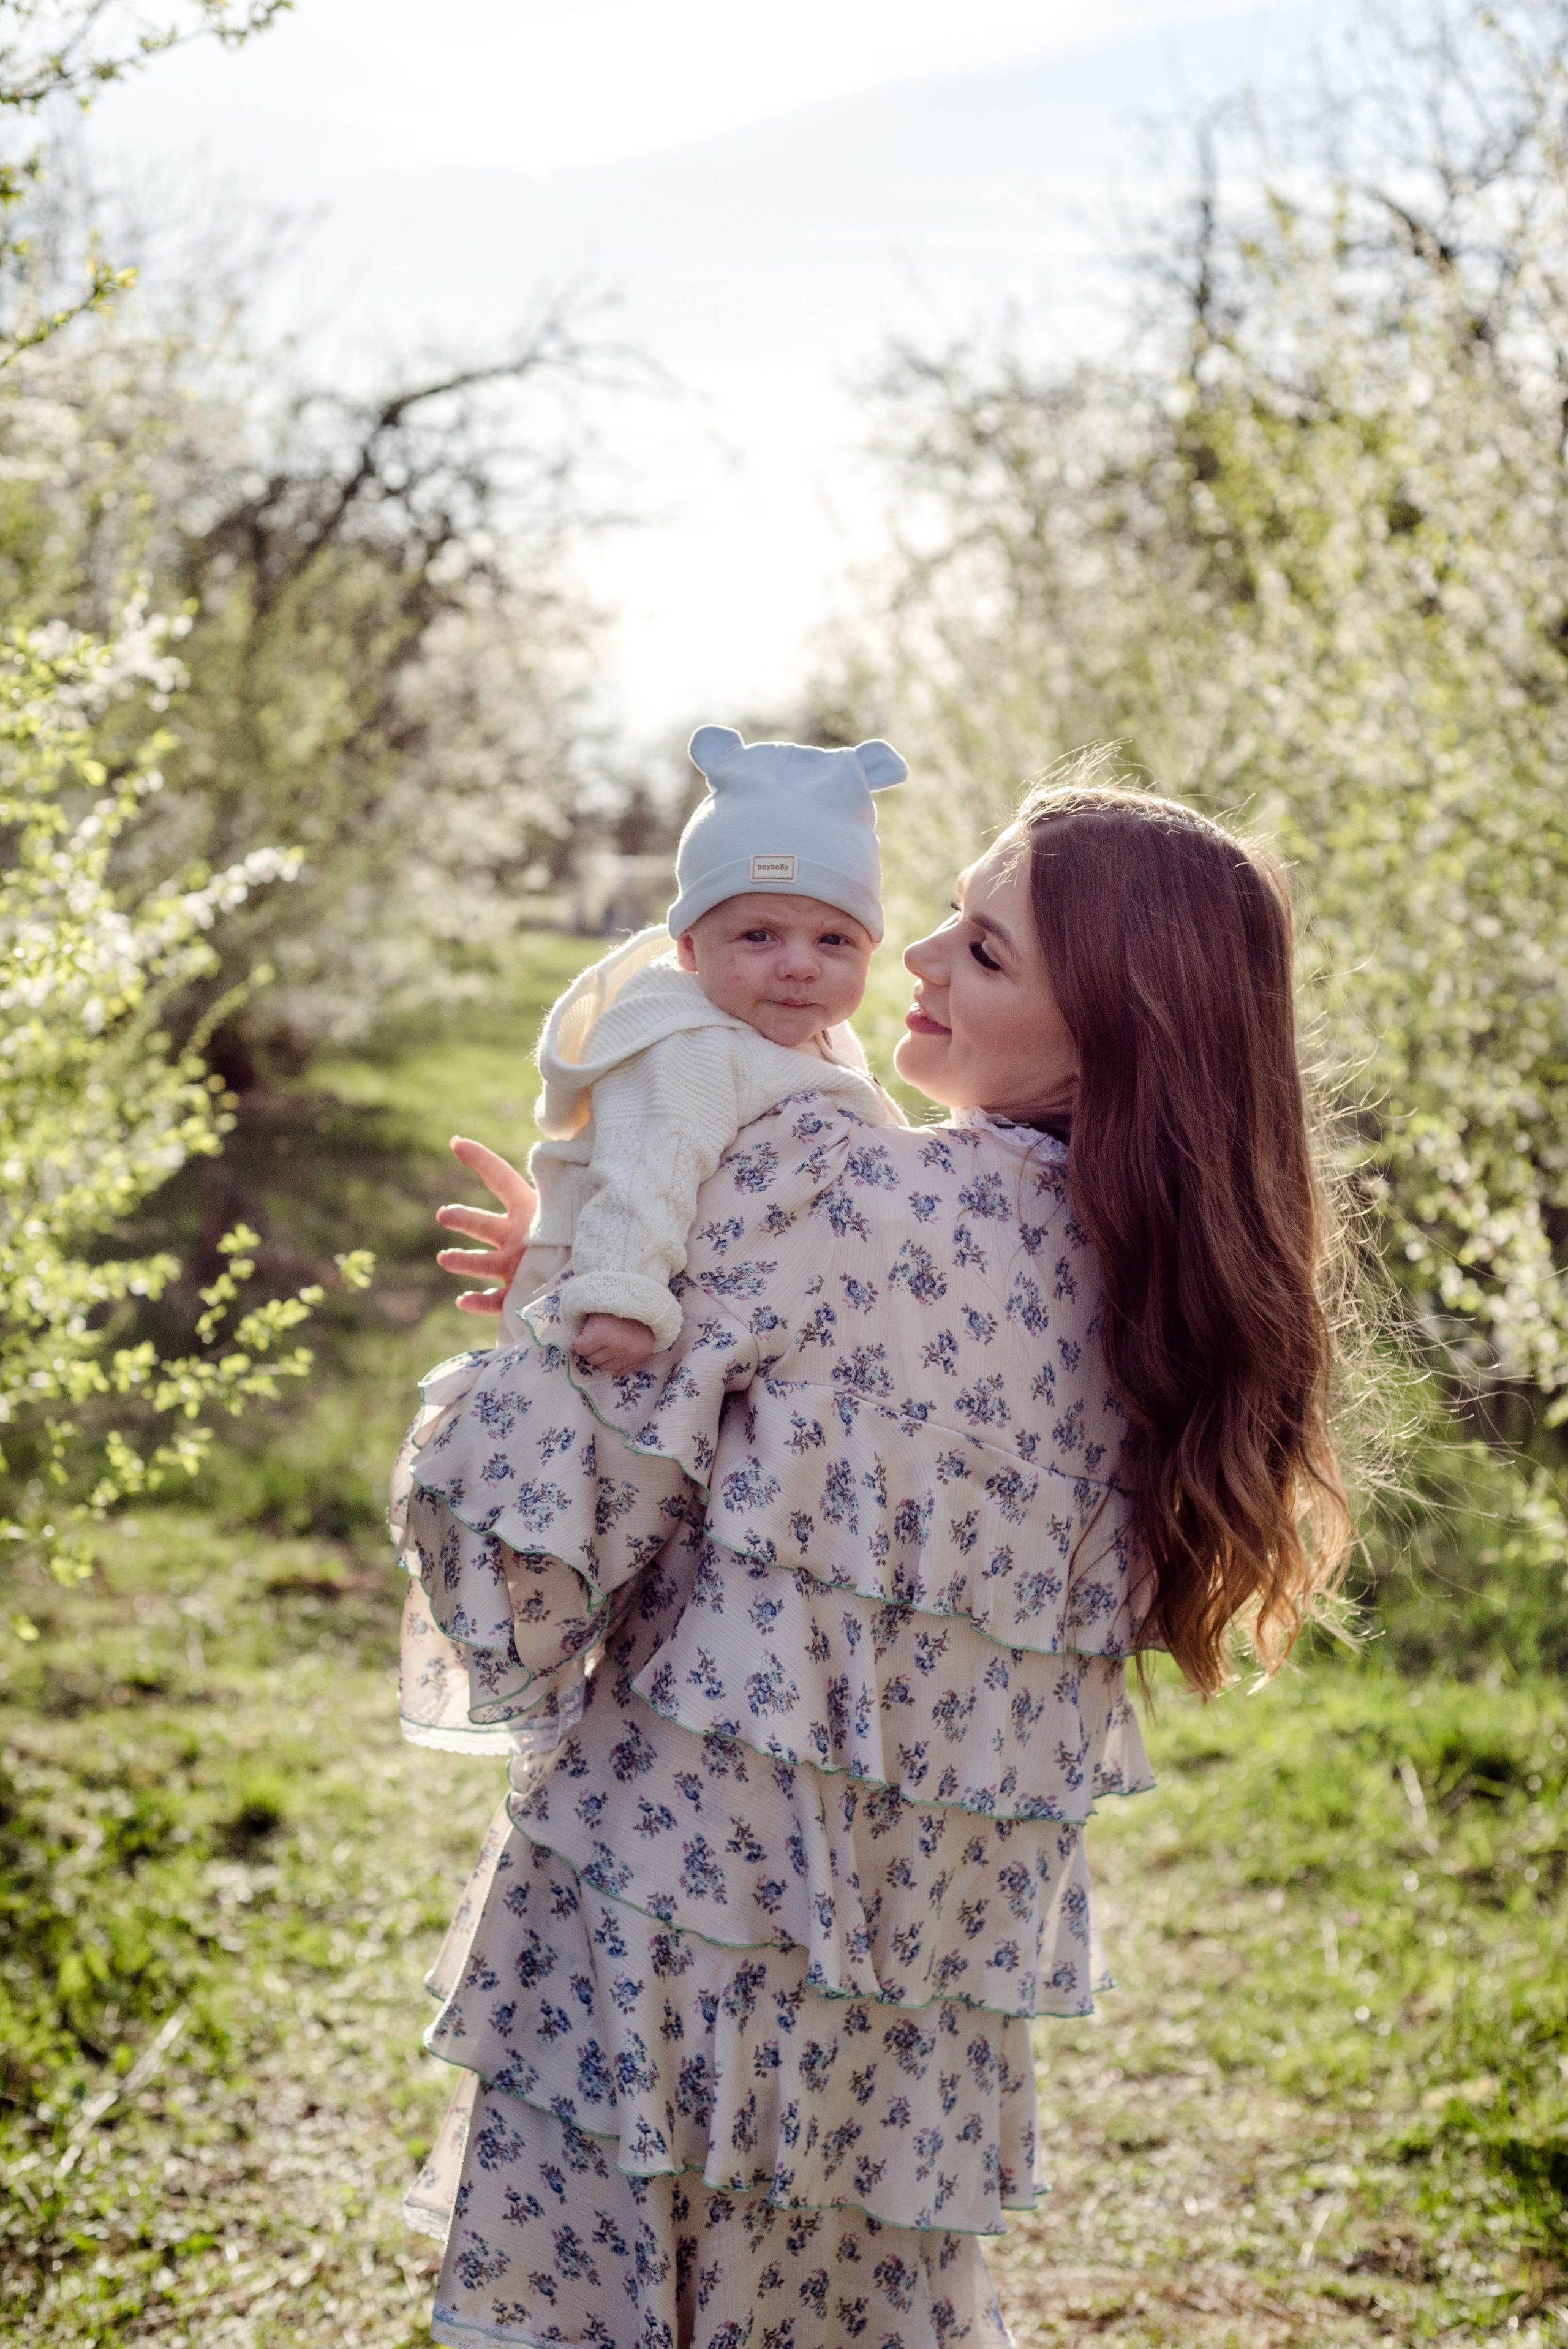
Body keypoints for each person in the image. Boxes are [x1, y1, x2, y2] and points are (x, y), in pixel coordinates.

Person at [393, 764, 1349, 2349]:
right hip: (908, 2012)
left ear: (1118, 1027)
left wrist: (552, 1323)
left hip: (681, 1934)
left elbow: (537, 1538)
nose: (911, 959)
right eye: (948, 919)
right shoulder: (1174, 1315)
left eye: (983, 950)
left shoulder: (832, 1191)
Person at [499, 724, 908, 1380]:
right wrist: (621, 1300)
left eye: (834, 940)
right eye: (759, 935)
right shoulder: (690, 1043)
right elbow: (647, 1162)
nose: (800, 965)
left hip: (692, 1308)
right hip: (610, 1299)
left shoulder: (808, 1030)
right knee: (588, 1467)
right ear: (689, 948)